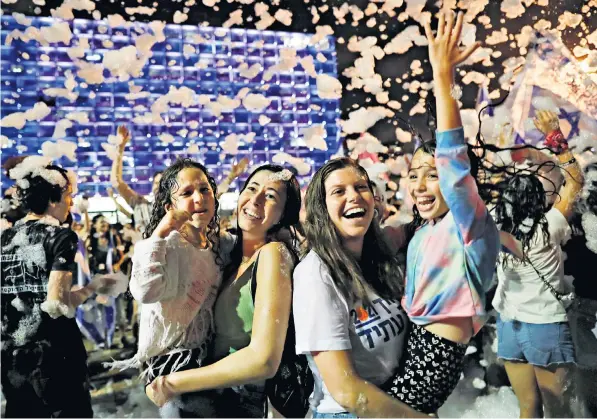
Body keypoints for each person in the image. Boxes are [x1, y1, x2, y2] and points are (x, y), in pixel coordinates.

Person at [381, 12, 500, 414]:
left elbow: (454, 164)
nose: (418, 185)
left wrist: (442, 77)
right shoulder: (423, 231)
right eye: (413, 175)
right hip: (414, 343)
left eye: (431, 176)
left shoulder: (465, 223)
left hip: (437, 350)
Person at [145, 164, 302, 418]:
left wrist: (171, 383)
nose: (256, 199)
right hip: (215, 392)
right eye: (251, 188)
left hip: (243, 399)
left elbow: (263, 360)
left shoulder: (273, 254)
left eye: (271, 196)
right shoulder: (230, 256)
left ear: (283, 214)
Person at [293, 157, 426, 418]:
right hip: (348, 412)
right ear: (321, 208)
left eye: (361, 187)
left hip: (390, 403)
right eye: (339, 191)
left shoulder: (378, 252)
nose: (354, 196)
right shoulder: (316, 274)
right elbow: (345, 389)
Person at [107, 158, 232, 417]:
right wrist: (160, 233)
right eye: (186, 193)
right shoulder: (169, 244)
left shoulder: (219, 243)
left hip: (210, 356)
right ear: (169, 206)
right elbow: (145, 291)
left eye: (205, 189)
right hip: (174, 363)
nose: (198, 198)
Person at [0, 161, 118, 417]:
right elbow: (57, 304)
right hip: (54, 356)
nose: (71, 203)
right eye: (69, 196)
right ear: (53, 198)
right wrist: (93, 287)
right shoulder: (60, 236)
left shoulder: (5, 237)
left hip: (11, 356)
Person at [493, 110, 584, 418]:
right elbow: (575, 182)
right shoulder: (549, 225)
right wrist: (555, 138)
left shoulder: (495, 227)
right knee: (560, 413)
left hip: (508, 325)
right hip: (545, 327)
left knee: (528, 408)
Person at [111, 125, 163, 235]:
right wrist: (120, 149)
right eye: (156, 183)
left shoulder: (180, 209)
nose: (158, 186)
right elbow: (117, 182)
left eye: (163, 184)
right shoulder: (141, 204)